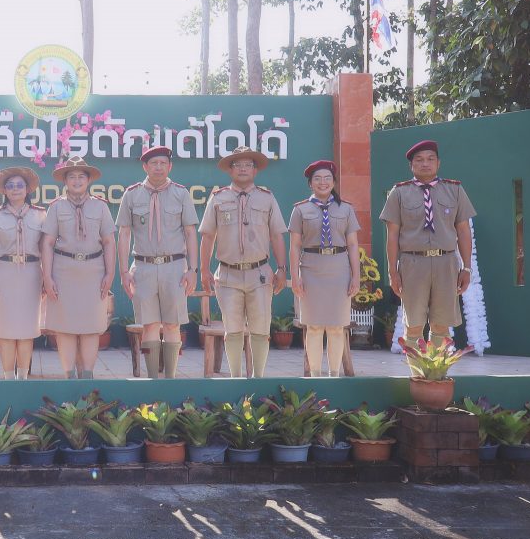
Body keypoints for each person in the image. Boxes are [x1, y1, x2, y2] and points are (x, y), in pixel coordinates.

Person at [199, 146, 287, 378]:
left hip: (260, 272)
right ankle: (235, 379)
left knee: (260, 329)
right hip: (228, 274)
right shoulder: (218, 198)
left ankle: (258, 379)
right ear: (230, 170)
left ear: (255, 170)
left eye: (248, 165)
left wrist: (282, 269)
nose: (243, 169)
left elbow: (277, 235)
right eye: (237, 165)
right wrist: (204, 270)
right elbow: (207, 236)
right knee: (233, 329)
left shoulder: (267, 198)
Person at [379, 140, 476, 350]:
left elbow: (463, 231)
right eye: (419, 160)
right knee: (413, 325)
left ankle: (437, 368)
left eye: (430, 159)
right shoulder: (399, 192)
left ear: (438, 163)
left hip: (446, 262)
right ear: (411, 165)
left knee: (441, 325)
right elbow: (392, 235)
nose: (425, 164)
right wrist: (393, 272)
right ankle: (415, 368)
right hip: (413, 263)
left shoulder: (454, 190)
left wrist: (467, 268)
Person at [116, 146, 199, 378]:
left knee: (172, 324)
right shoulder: (131, 194)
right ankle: (153, 379)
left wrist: (193, 269)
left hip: (175, 267)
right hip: (143, 266)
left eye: (163, 163)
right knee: (149, 324)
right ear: (145, 167)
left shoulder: (181, 193)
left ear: (170, 166)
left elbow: (190, 232)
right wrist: (123, 271)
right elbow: (124, 234)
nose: (159, 167)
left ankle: (170, 380)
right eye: (154, 163)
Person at [41, 157, 116, 379]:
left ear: (88, 180)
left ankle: (88, 376)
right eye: (71, 176)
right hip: (63, 271)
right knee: (65, 327)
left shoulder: (100, 207)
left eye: (81, 176)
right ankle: (69, 376)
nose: (76, 180)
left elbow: (109, 241)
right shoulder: (56, 207)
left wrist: (110, 273)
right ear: (65, 181)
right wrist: (47, 276)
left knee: (91, 326)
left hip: (94, 271)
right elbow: (47, 243)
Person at [288, 161, 361, 377]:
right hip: (311, 269)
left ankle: (334, 375)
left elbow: (353, 244)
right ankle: (316, 376)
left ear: (334, 182)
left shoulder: (346, 209)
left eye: (327, 178)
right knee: (314, 326)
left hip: (339, 269)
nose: (323, 182)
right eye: (317, 179)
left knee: (337, 326)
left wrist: (356, 276)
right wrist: (295, 276)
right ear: (310, 183)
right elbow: (294, 246)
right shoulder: (300, 209)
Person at [0, 166, 46, 379]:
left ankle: (23, 379)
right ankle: (9, 379)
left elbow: (46, 249)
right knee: (5, 330)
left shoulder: (40, 214)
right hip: (4, 274)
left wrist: (47, 276)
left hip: (31, 274)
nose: (15, 189)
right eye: (10, 186)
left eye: (20, 185)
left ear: (27, 189)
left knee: (27, 330)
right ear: (4, 191)